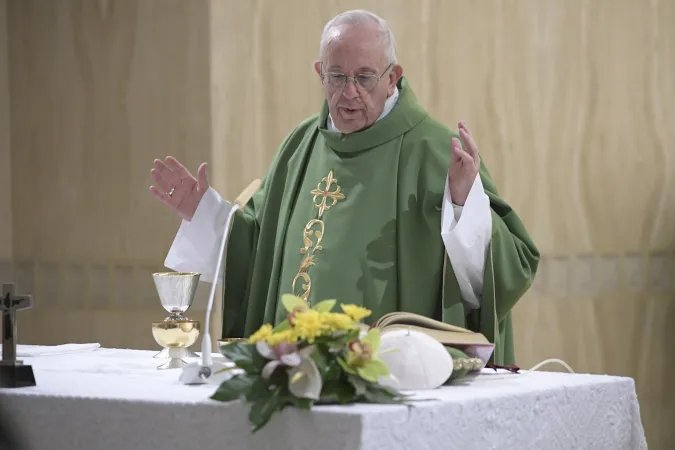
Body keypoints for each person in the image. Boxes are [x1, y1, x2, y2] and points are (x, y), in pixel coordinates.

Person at [149, 10, 539, 365]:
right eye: (337, 77)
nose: (350, 92)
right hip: (294, 373)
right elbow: (258, 249)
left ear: (392, 77)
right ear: (320, 73)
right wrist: (205, 212)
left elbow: (509, 269)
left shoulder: (438, 151)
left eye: (364, 77)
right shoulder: (299, 147)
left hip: (393, 376)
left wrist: (463, 205)